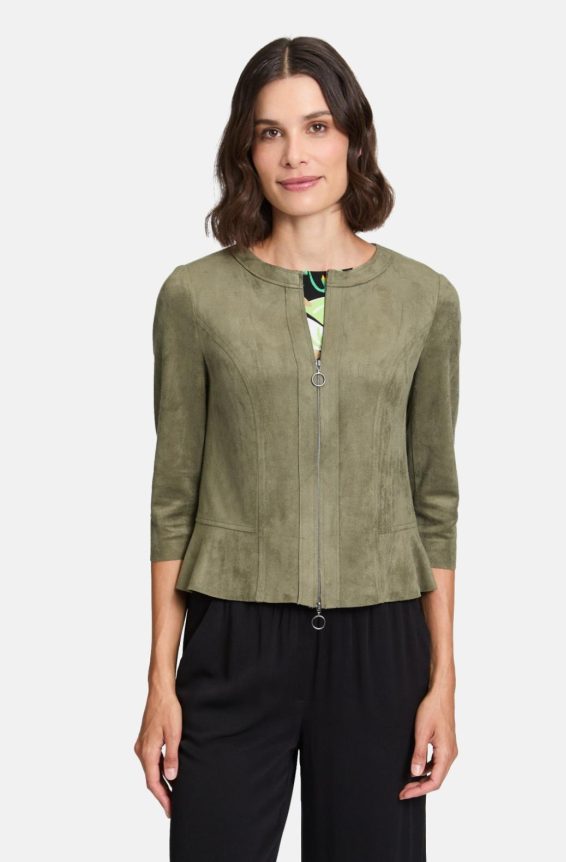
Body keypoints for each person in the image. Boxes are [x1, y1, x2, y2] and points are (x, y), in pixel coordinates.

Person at [134, 35, 461, 862]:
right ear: (246, 151)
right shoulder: (196, 297)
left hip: (381, 644)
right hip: (235, 637)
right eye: (270, 132)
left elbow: (435, 501)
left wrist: (443, 680)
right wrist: (160, 679)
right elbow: (174, 499)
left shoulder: (424, 300)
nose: (295, 155)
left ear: (353, 136)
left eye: (316, 127)